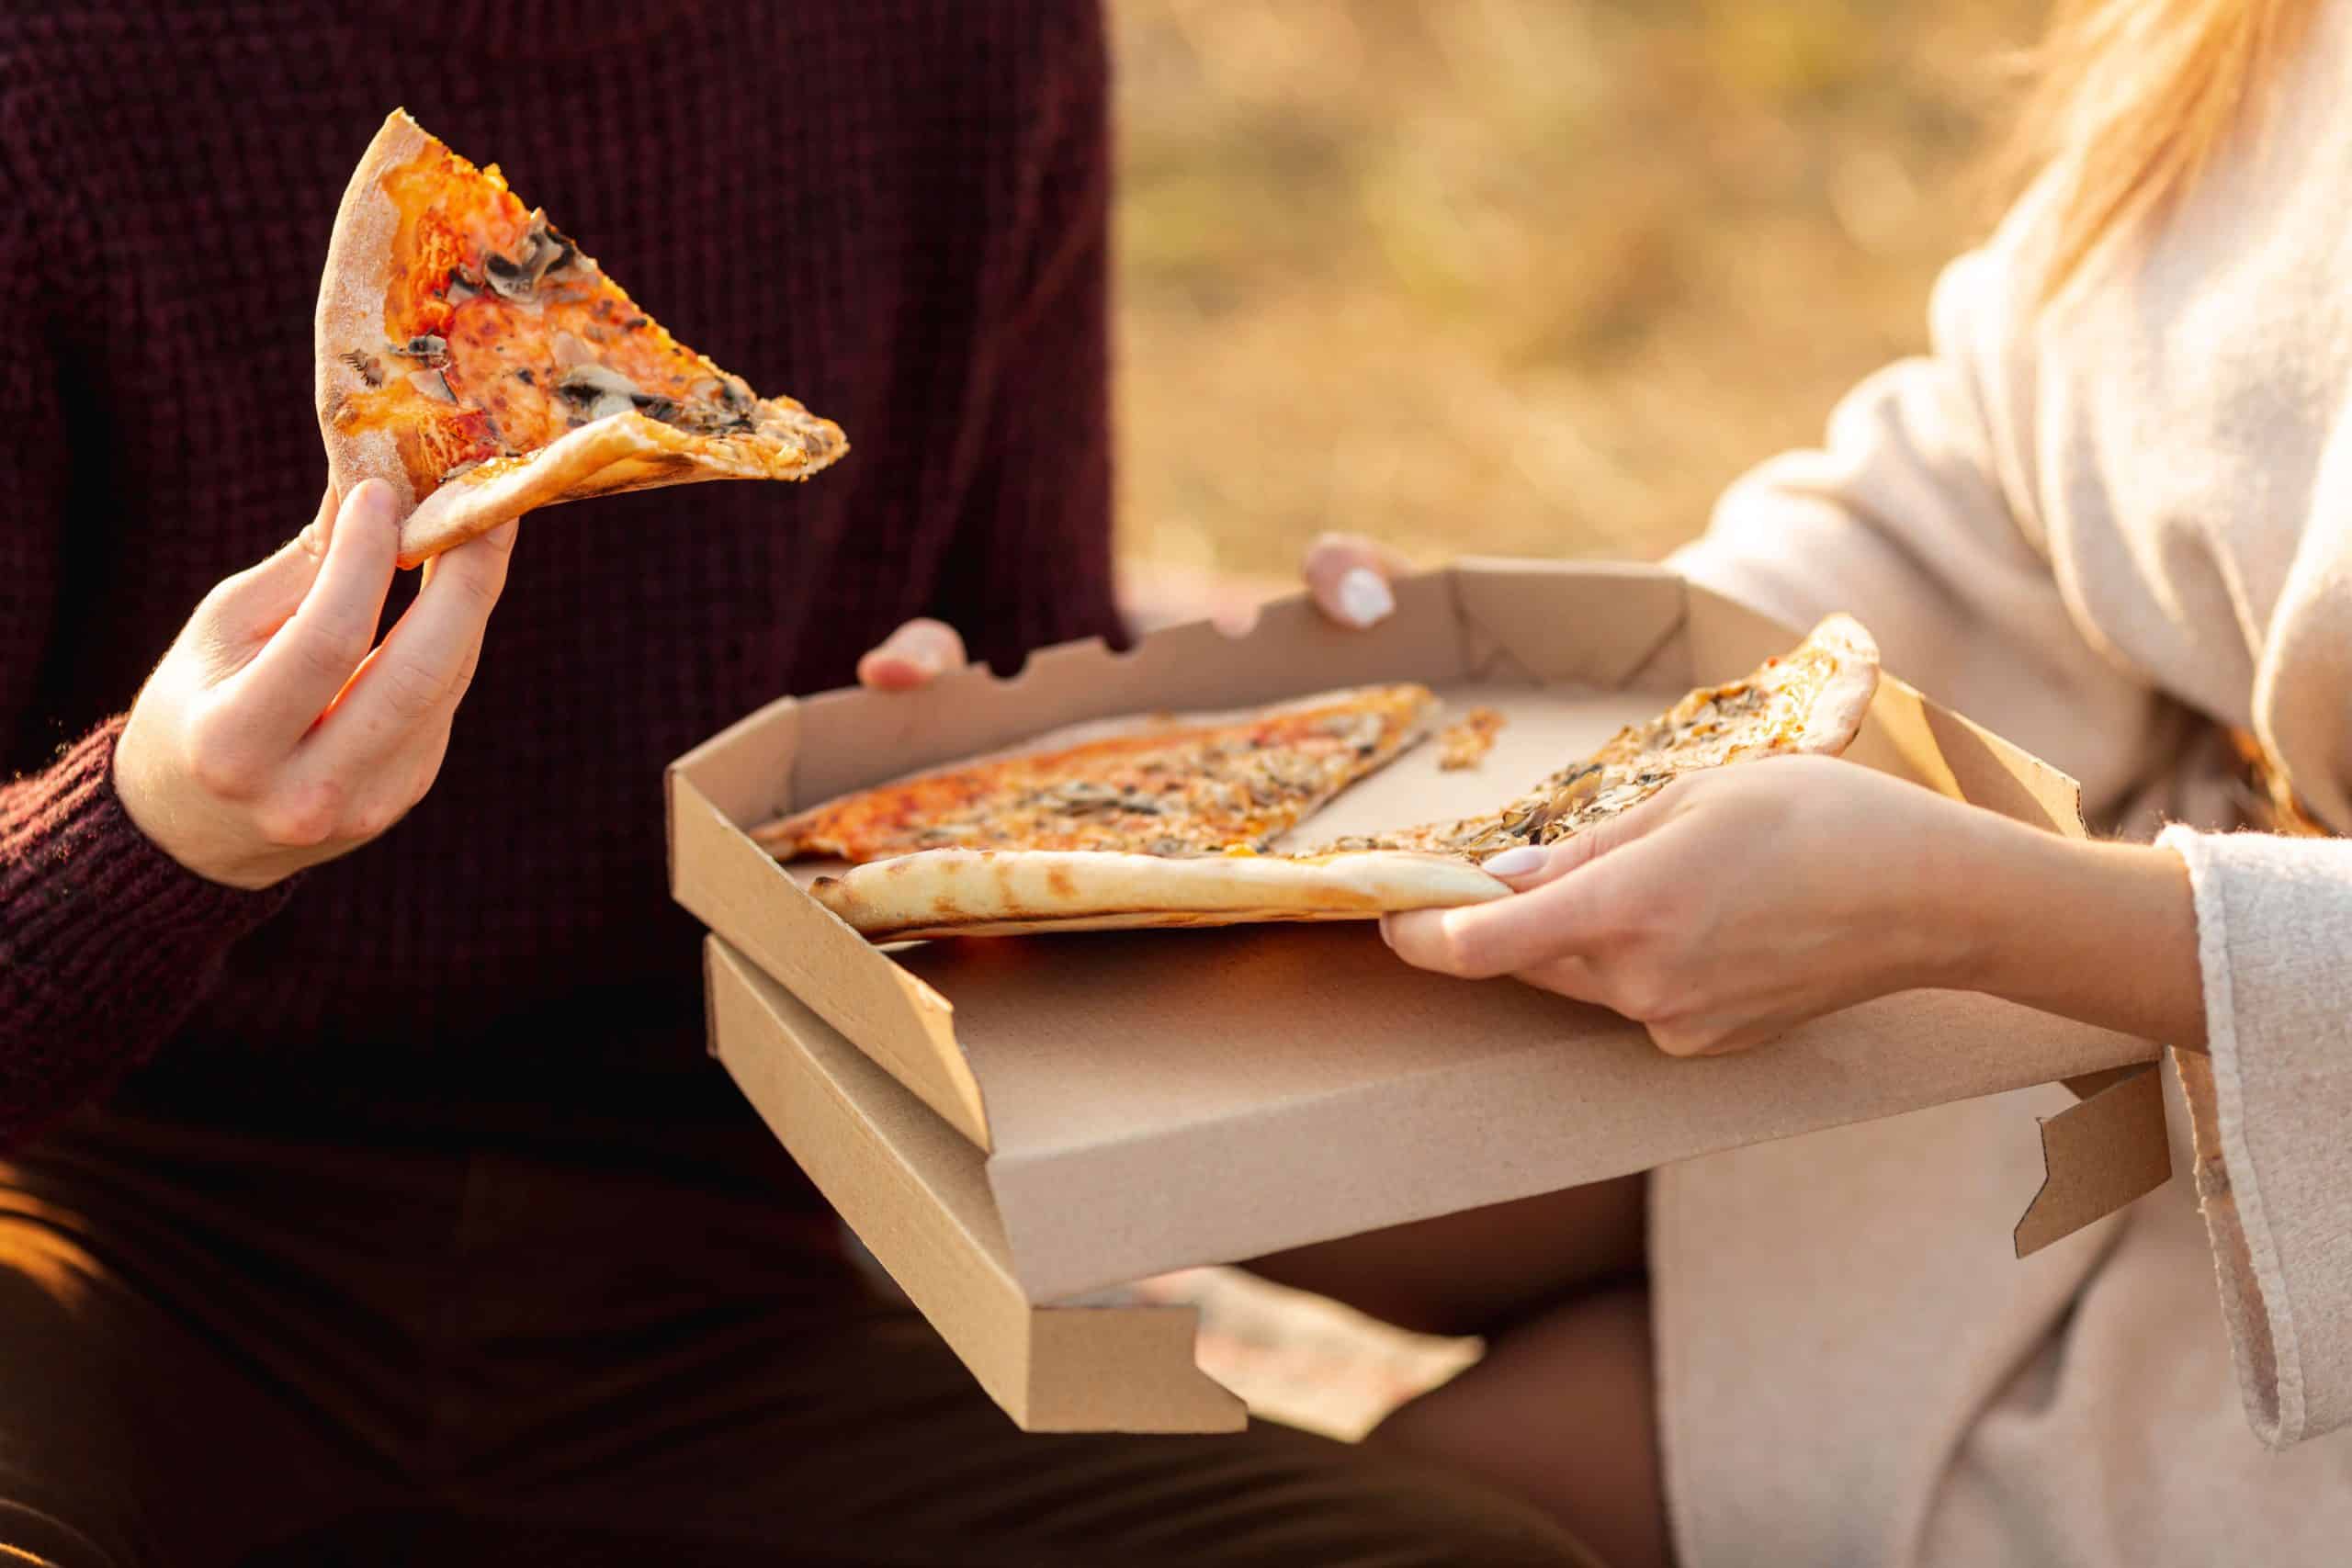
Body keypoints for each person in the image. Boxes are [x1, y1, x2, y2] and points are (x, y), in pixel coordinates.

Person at [0, 6, 1611, 1564]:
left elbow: (1026, 752)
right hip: (105, 1247)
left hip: (708, 1285)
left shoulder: (974, 37)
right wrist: (154, 838)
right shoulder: (50, 71)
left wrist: (1242, 783)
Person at [1268, 0, 2352, 1562]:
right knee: (1328, 1149)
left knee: (1472, 1499)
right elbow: (1991, 480)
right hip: (2111, 1076)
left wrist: (1983, 912)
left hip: (2226, 1122)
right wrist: (1576, 705)